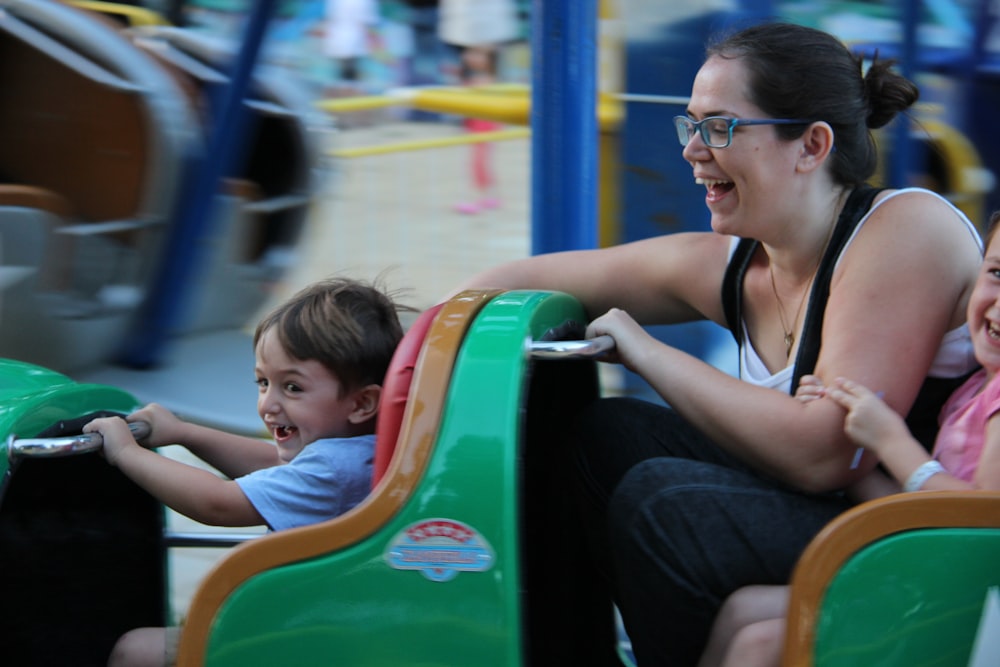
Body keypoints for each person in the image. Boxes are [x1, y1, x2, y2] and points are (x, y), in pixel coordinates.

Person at [452, 21, 984, 665]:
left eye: (721, 127)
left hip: (926, 536)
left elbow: (823, 454)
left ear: (811, 145)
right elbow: (508, 282)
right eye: (692, 125)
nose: (693, 150)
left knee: (666, 505)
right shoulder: (737, 264)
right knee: (604, 432)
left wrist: (651, 353)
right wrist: (408, 348)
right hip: (845, 510)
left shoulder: (904, 230)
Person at [698, 210, 1000, 667]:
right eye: (997, 274)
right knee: (743, 611)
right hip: (936, 585)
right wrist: (850, 442)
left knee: (758, 645)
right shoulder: (977, 387)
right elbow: (924, 510)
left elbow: (980, 519)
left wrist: (890, 441)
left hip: (963, 607)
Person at [96, 277, 410, 667]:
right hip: (326, 624)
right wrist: (185, 433)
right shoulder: (360, 452)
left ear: (362, 403)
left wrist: (125, 452)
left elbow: (219, 505)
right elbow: (272, 465)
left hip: (298, 637)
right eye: (263, 382)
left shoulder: (332, 467)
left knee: (135, 650)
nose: (268, 405)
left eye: (292, 387)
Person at [453, 44, 503, 215]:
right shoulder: (475, 77)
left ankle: (478, 198)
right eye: (470, 53)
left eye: (477, 54)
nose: (470, 56)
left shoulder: (486, 78)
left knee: (478, 162)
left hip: (484, 123)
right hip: (476, 123)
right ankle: (490, 196)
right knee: (481, 162)